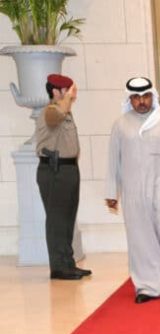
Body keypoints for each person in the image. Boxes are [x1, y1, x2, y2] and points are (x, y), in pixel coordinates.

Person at [105, 77, 160, 303]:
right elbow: (113, 161)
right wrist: (111, 192)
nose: (141, 101)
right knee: (141, 240)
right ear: (129, 99)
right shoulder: (120, 125)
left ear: (153, 96)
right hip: (133, 192)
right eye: (136, 97)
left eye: (145, 96)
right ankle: (146, 286)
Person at [35, 74, 91, 280]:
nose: (71, 95)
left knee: (67, 219)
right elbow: (55, 116)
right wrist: (66, 99)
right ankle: (58, 267)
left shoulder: (65, 112)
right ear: (55, 92)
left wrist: (66, 98)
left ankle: (67, 263)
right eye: (66, 91)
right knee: (57, 220)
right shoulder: (51, 111)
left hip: (68, 169)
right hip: (54, 170)